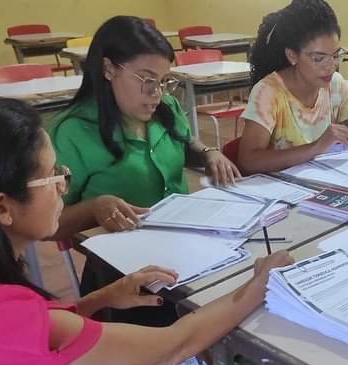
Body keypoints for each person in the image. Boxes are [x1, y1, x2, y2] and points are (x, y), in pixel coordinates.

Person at [0, 97, 293, 365]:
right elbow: (173, 347)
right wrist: (260, 283)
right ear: (3, 207)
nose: (64, 184)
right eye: (52, 176)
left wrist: (100, 299)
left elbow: (29, 338)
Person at [49, 16, 242, 325]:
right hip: (121, 278)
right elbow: (49, 226)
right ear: (109, 69)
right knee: (188, 334)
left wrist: (209, 152)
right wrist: (94, 208)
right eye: (147, 80)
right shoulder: (71, 132)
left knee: (234, 300)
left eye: (165, 81)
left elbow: (184, 141)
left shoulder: (164, 108)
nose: (157, 93)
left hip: (184, 249)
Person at [237, 0, 348, 174]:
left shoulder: (334, 83)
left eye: (335, 55)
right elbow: (249, 161)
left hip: (324, 182)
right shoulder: (269, 93)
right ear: (292, 55)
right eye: (318, 58)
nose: (330, 66)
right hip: (283, 190)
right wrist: (316, 147)